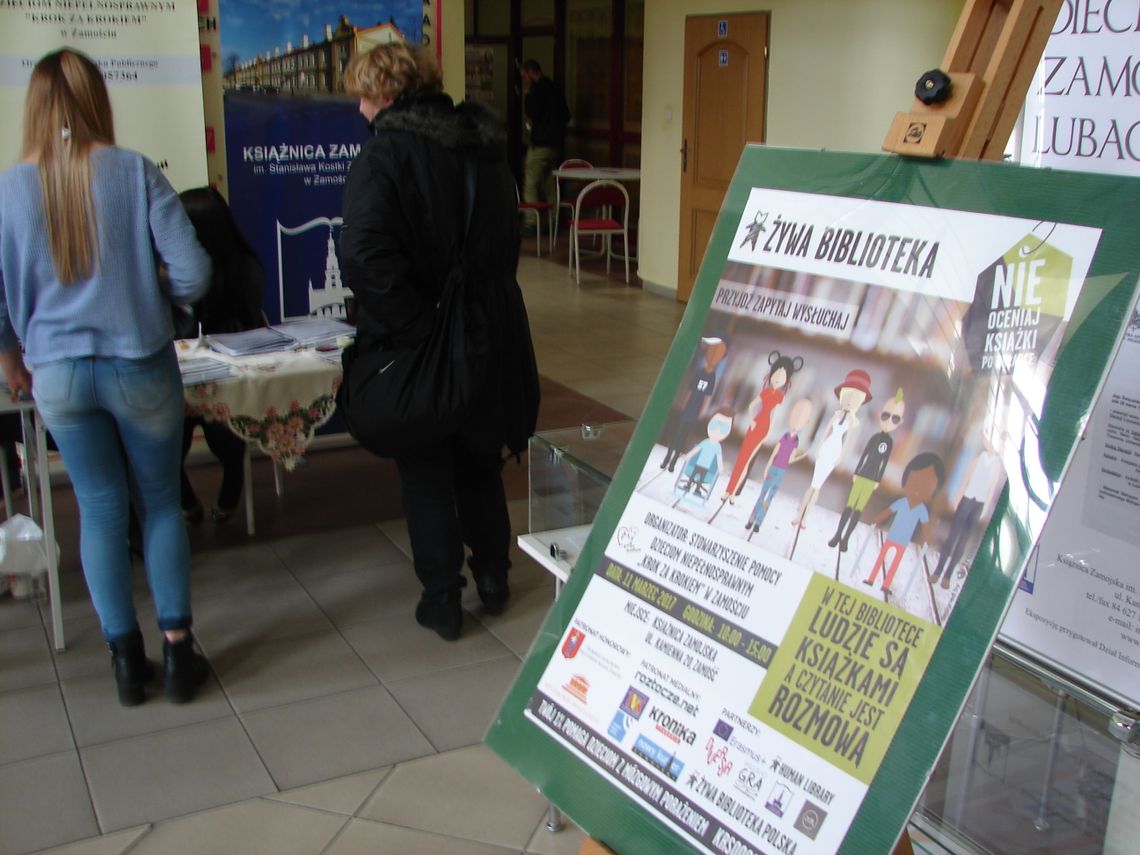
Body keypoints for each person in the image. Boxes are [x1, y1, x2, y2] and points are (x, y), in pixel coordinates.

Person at [0, 49, 213, 705]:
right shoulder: (134, 172)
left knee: (96, 507)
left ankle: (126, 659)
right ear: (98, 100)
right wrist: (150, 285)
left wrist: (11, 354)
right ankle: (178, 655)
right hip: (139, 366)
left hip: (58, 377)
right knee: (157, 501)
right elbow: (196, 275)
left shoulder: (8, 188)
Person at [341, 43, 539, 641]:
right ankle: (496, 579)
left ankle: (442, 599)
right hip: (489, 329)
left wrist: (414, 327)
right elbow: (507, 244)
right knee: (479, 458)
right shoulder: (484, 147)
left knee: (425, 465)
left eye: (364, 93)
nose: (359, 105)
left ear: (385, 95)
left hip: (423, 335)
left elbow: (365, 254)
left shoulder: (384, 156)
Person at [176, 187, 266, 524]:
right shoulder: (173, 272)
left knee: (225, 437)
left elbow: (244, 324)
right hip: (181, 372)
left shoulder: (244, 269)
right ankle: (188, 503)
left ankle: (229, 495)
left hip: (229, 370)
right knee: (170, 440)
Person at [520, 59, 570, 209]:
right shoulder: (555, 88)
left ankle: (531, 221)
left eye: (524, 76)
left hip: (540, 144)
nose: (523, 79)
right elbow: (566, 115)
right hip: (555, 145)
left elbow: (531, 112)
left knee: (530, 183)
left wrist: (527, 93)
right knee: (549, 184)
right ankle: (553, 220)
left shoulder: (537, 91)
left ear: (530, 72)